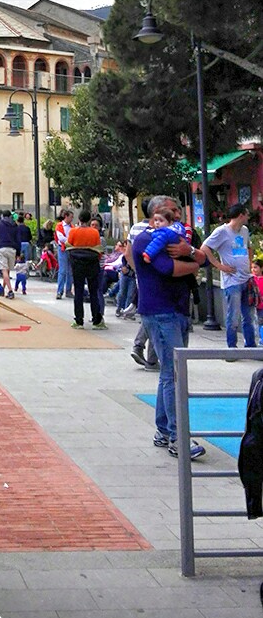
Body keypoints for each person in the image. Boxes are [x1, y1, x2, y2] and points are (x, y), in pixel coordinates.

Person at [132, 195, 206, 458]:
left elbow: (202, 257)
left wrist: (190, 254)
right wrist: (193, 263)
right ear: (156, 215)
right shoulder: (145, 239)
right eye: (172, 212)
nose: (178, 215)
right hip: (160, 312)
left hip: (177, 311)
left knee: (169, 373)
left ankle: (164, 431)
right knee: (173, 374)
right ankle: (178, 437)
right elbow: (168, 268)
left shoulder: (178, 237)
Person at [202, 203, 256, 350]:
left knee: (248, 316)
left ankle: (250, 345)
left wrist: (249, 263)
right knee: (233, 316)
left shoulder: (244, 230)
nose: (248, 217)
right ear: (240, 215)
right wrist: (219, 265)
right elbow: (205, 248)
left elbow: (249, 247)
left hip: (245, 277)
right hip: (232, 280)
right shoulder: (222, 232)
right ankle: (231, 346)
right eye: (246, 214)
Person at [67, 210, 105, 329]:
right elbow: (99, 250)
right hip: (92, 263)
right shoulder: (94, 232)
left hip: (77, 263)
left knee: (78, 291)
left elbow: (68, 246)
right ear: (89, 220)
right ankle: (96, 320)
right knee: (93, 291)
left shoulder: (73, 231)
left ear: (79, 219)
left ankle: (79, 321)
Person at [0, 210, 19, 298]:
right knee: (8, 270)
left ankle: (10, 291)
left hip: (1, 248)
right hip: (12, 248)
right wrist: (18, 253)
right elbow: (18, 239)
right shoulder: (14, 225)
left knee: (4, 270)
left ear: (2, 216)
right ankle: (2, 290)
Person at [55, 209, 74, 300]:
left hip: (70, 249)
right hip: (63, 248)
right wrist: (70, 242)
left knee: (70, 271)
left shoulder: (72, 227)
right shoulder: (59, 226)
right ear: (66, 216)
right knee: (62, 270)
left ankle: (68, 290)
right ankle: (60, 291)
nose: (72, 219)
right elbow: (60, 238)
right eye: (71, 217)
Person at [252, 257, 263, 345]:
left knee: (261, 322)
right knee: (257, 322)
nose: (253, 269)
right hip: (254, 304)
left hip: (261, 304)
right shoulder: (252, 279)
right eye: (252, 267)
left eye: (256, 267)